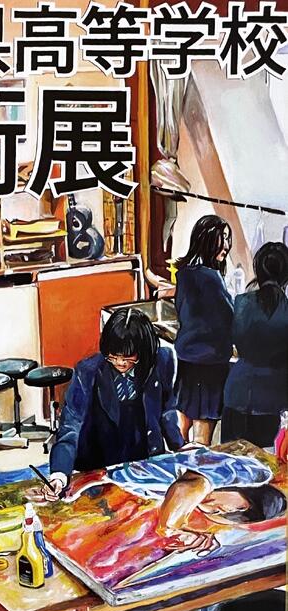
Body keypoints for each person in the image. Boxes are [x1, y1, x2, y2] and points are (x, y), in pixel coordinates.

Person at [44, 307, 184, 500]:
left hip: (143, 460)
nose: (120, 362)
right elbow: (71, 425)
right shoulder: (88, 371)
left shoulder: (163, 360)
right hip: (99, 462)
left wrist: (180, 449)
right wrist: (59, 475)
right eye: (113, 356)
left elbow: (167, 411)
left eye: (128, 358)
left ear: (144, 352)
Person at [108, 447, 286, 553]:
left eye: (218, 513)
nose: (221, 509)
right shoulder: (247, 474)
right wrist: (172, 529)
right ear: (251, 492)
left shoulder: (165, 492)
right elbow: (190, 487)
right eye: (237, 508)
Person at [174, 215, 234, 445]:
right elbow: (229, 317)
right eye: (222, 238)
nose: (226, 246)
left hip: (187, 360)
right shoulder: (212, 278)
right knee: (202, 438)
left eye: (227, 239)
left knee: (181, 429)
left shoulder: (184, 273)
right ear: (207, 239)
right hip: (210, 365)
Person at [221, 242, 288, 449]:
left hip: (237, 392)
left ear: (258, 269)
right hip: (273, 399)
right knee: (266, 464)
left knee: (231, 459)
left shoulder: (242, 302)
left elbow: (235, 340)